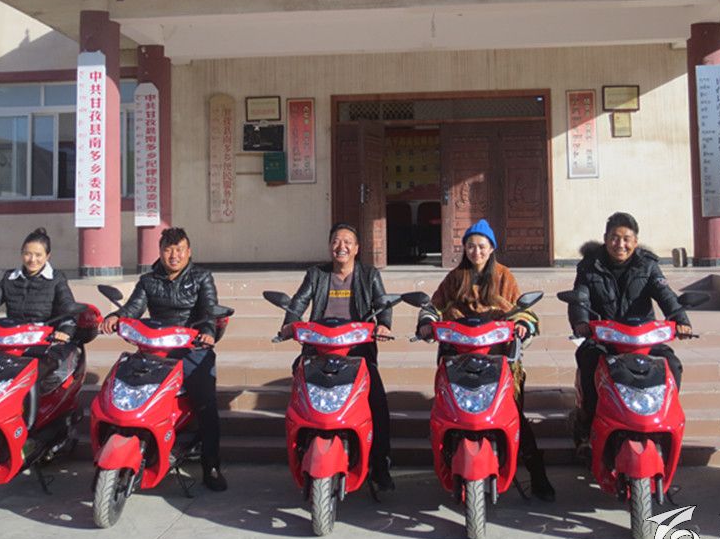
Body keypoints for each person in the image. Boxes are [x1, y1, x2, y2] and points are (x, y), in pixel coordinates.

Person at [416, 219, 555, 502]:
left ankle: (537, 474)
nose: (476, 251)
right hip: (459, 356)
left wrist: (522, 324)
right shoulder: (455, 278)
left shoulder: (504, 276)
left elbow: (521, 310)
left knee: (514, 414)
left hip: (497, 356)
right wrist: (427, 323)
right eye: (471, 246)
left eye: (481, 246)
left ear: (491, 248)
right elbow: (434, 306)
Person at [99, 227, 227, 492]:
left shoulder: (202, 277)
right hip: (155, 346)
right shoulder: (148, 280)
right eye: (168, 250)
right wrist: (117, 316)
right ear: (160, 252)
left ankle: (211, 466)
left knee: (206, 403)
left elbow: (208, 309)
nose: (174, 255)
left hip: (191, 347)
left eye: (179, 249)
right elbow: (134, 307)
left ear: (188, 251)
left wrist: (207, 332)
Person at [278, 222, 396, 491]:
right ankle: (303, 451)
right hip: (318, 350)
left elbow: (382, 303)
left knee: (377, 403)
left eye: (347, 242)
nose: (341, 246)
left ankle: (380, 466)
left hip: (357, 353)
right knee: (300, 398)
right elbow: (299, 301)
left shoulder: (369, 274)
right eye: (336, 241)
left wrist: (383, 324)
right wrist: (289, 323)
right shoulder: (317, 274)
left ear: (356, 248)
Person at [568, 212, 691, 447]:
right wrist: (581, 322)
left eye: (626, 239)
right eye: (615, 238)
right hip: (605, 337)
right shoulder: (589, 266)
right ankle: (588, 423)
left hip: (643, 338)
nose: (620, 244)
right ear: (606, 238)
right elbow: (580, 298)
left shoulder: (648, 265)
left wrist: (680, 319)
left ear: (635, 241)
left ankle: (663, 418)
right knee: (588, 359)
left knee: (672, 364)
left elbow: (665, 295)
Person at [0, 227, 83, 390]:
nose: (32, 259)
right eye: (28, 254)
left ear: (48, 256)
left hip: (42, 341)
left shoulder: (56, 279)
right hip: (11, 340)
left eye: (38, 255)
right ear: (21, 254)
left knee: (39, 377)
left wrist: (65, 331)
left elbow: (68, 309)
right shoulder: (10, 278)